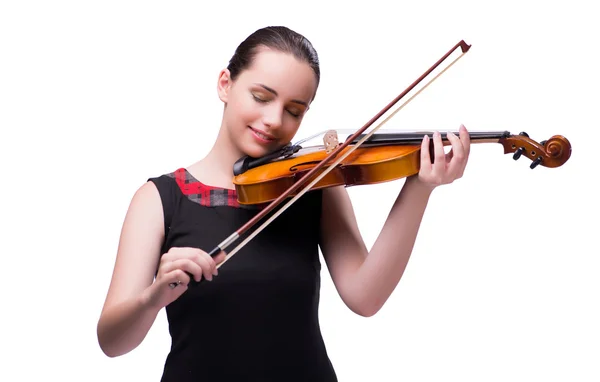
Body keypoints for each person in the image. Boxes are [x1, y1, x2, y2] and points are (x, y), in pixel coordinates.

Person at [96, 26, 471, 381]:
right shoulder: (159, 199)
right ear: (225, 84)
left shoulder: (313, 187)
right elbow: (112, 342)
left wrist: (419, 186)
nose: (274, 120)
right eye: (261, 97)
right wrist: (151, 299)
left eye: (294, 110)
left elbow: (365, 296)